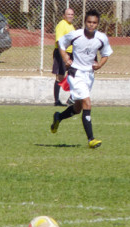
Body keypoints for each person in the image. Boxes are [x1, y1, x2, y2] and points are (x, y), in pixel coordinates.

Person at [50, 9, 113, 149]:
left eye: (94, 23)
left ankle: (58, 117)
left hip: (89, 75)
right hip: (75, 73)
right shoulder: (76, 35)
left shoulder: (101, 38)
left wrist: (100, 64)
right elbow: (61, 43)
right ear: (85, 22)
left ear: (98, 24)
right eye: (89, 22)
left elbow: (106, 53)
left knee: (78, 108)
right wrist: (66, 57)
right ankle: (91, 139)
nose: (91, 25)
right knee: (87, 102)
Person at [52, 8, 75, 106]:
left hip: (71, 53)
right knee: (60, 77)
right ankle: (57, 101)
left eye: (72, 14)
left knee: (74, 75)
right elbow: (59, 41)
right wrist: (64, 55)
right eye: (68, 14)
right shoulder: (62, 24)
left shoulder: (71, 26)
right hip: (62, 53)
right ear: (64, 16)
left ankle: (71, 98)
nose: (70, 16)